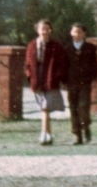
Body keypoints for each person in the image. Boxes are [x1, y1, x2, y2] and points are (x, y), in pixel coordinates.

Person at [25, 18, 68, 146]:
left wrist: (57, 76)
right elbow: (28, 64)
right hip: (37, 80)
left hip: (50, 80)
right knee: (44, 108)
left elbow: (63, 64)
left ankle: (45, 134)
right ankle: (47, 135)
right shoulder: (32, 45)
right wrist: (30, 77)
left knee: (45, 108)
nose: (44, 31)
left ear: (50, 30)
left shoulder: (56, 46)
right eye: (42, 29)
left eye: (47, 29)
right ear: (38, 30)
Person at [66, 22, 97, 145]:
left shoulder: (90, 48)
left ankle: (86, 127)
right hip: (71, 82)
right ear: (71, 33)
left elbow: (95, 65)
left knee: (83, 107)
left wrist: (94, 79)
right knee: (73, 108)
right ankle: (77, 135)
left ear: (84, 33)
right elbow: (64, 66)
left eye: (80, 32)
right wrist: (64, 81)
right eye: (75, 31)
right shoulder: (67, 48)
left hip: (85, 82)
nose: (77, 34)